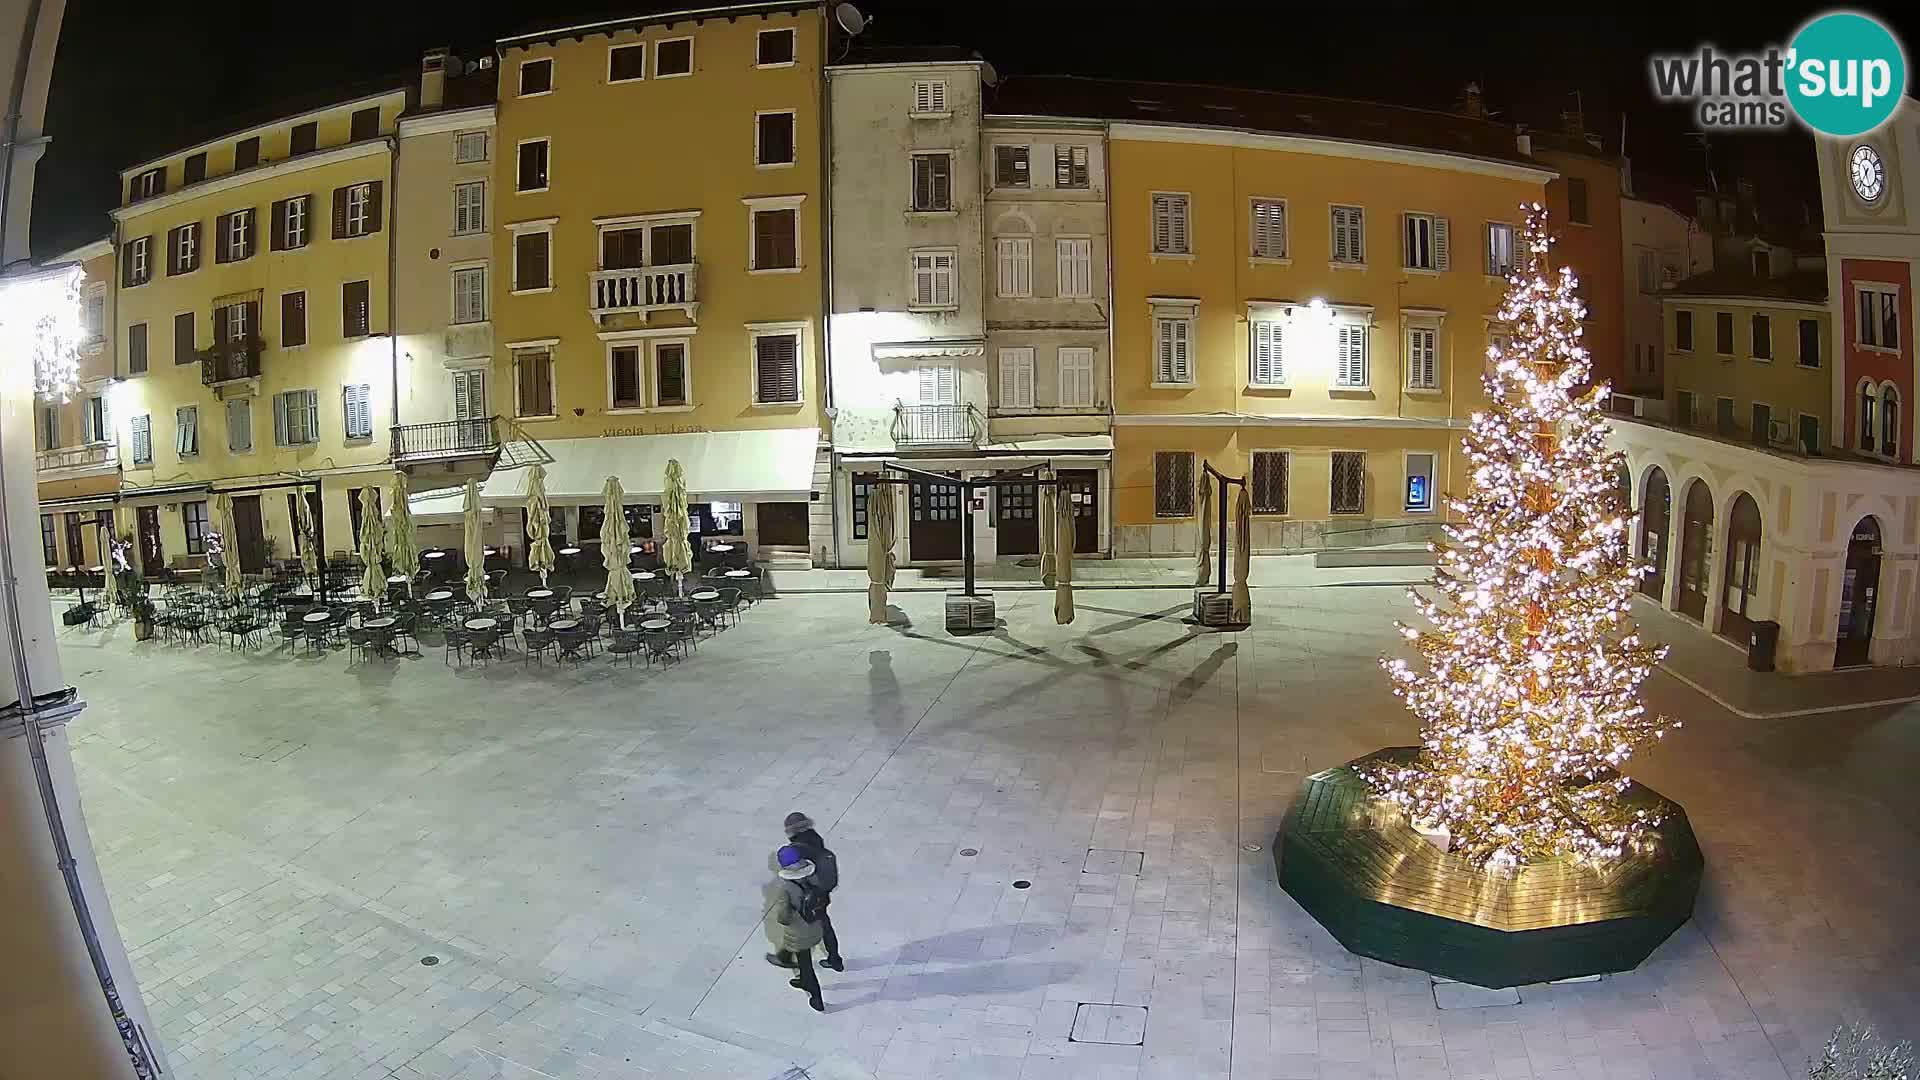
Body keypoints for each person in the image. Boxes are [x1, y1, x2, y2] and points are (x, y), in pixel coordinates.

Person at [762, 846, 826, 1012]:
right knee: (800, 955)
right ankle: (802, 979)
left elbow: (784, 916)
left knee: (806, 965)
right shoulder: (813, 876)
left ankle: (816, 998)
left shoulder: (786, 888)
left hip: (799, 933)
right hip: (816, 926)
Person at [782, 812, 842, 971]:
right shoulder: (816, 839)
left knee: (800, 930)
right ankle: (835, 959)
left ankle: (797, 964)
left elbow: (798, 874)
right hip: (822, 894)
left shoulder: (797, 849)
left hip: (807, 896)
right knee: (825, 926)